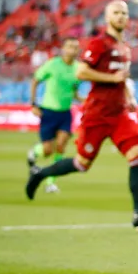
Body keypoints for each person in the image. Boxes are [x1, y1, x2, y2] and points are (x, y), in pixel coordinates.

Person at [25, 0, 138, 229]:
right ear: (108, 17)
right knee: (81, 164)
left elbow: (122, 77)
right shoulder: (99, 43)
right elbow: (82, 71)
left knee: (137, 156)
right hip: (97, 115)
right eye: (116, 13)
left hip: (119, 115)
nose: (120, 16)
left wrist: (129, 97)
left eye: (124, 13)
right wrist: (112, 79)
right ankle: (40, 174)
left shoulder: (125, 47)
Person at [26, 37, 83, 193]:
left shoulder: (78, 68)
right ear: (63, 48)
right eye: (70, 46)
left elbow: (74, 91)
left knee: (61, 146)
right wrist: (33, 103)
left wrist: (83, 99)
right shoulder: (52, 65)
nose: (73, 49)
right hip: (49, 112)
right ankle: (33, 152)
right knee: (47, 150)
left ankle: (50, 181)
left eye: (76, 47)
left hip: (65, 113)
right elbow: (35, 81)